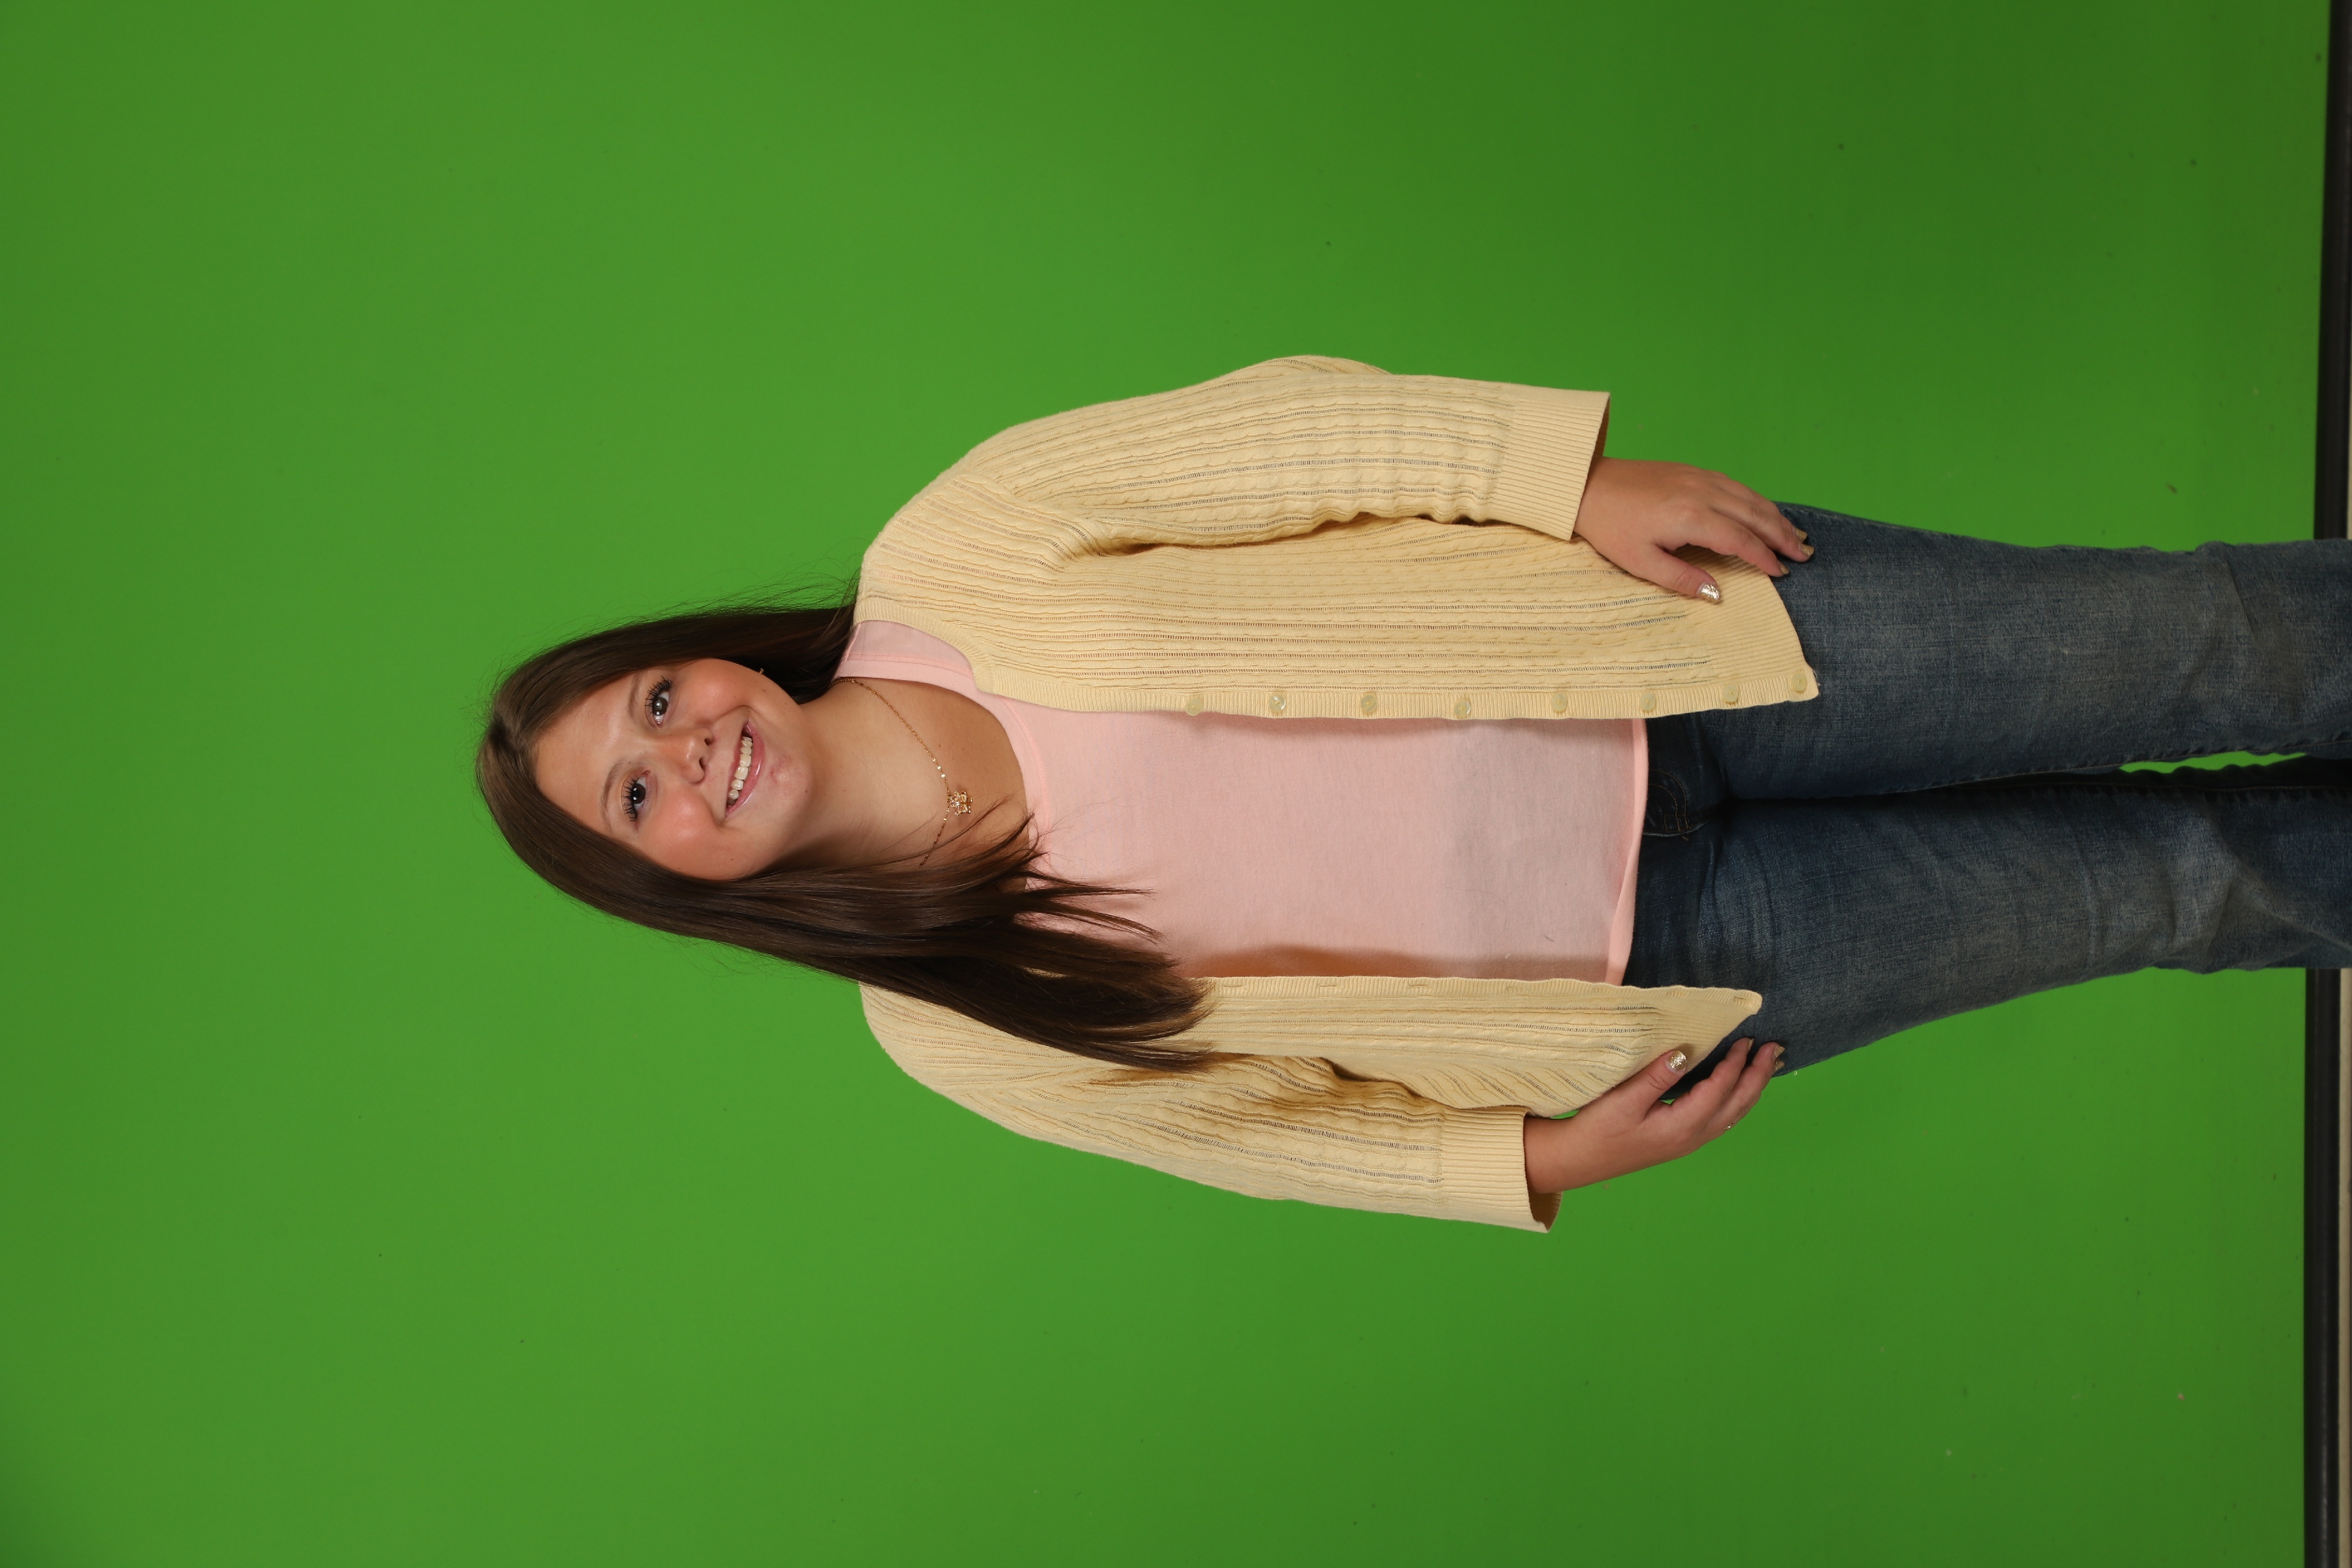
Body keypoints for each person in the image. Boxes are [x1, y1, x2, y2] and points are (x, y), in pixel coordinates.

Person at [478, 356, 2352, 1232]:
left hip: (1662, 645)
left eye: (659, 700)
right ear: (671, 881)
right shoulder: (948, 1024)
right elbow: (1254, 1132)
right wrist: (1516, 1164)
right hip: (1672, 966)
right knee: (2172, 889)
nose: (688, 747)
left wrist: (1562, 481)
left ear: (703, 656)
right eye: (637, 797)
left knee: (2198, 644)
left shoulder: (955, 548)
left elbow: (1280, 436)